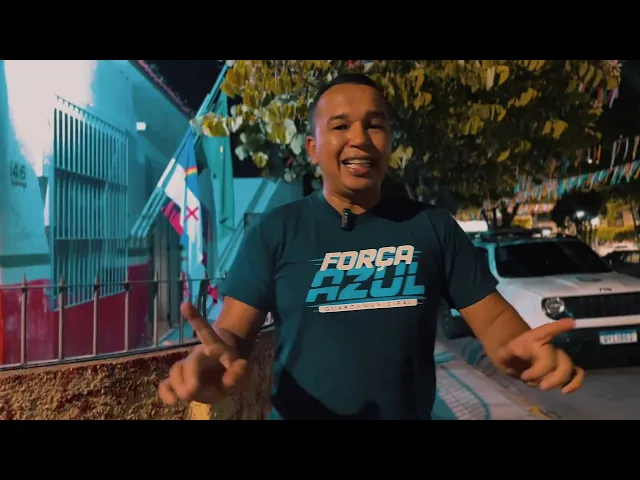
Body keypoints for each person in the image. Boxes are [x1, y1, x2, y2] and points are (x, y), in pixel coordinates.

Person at [159, 73, 584, 420]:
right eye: (340, 126)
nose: (359, 138)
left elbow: (493, 321)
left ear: (389, 143)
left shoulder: (432, 227)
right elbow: (233, 333)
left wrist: (516, 349)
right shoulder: (277, 230)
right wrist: (214, 358)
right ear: (313, 149)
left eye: (374, 125)